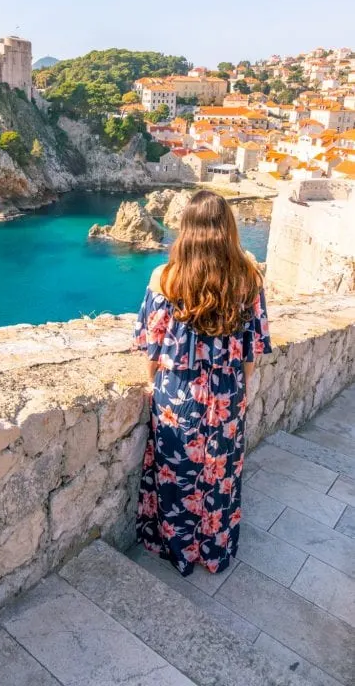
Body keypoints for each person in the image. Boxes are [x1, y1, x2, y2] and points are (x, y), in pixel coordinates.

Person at [134, 189, 271, 576]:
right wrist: (239, 390)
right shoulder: (248, 279)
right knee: (220, 474)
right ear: (227, 228)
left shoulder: (166, 277)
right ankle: (214, 547)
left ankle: (177, 547)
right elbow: (251, 350)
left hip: (178, 393)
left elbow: (152, 345)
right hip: (227, 392)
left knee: (176, 474)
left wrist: (151, 384)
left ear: (186, 229)